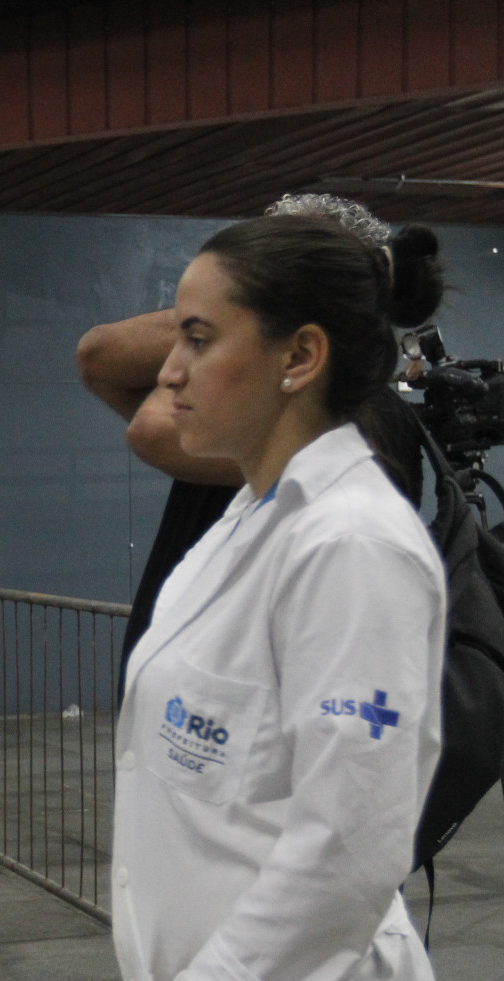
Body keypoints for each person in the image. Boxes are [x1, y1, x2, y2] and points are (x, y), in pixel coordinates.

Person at [104, 217, 468, 981]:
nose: (169, 370)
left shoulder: (350, 544)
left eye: (198, 337)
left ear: (299, 356)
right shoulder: (248, 518)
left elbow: (349, 845)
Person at [78, 195, 421, 663]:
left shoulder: (363, 428)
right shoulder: (245, 423)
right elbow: (97, 355)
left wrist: (232, 310)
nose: (171, 375)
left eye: (200, 340)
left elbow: (151, 431)